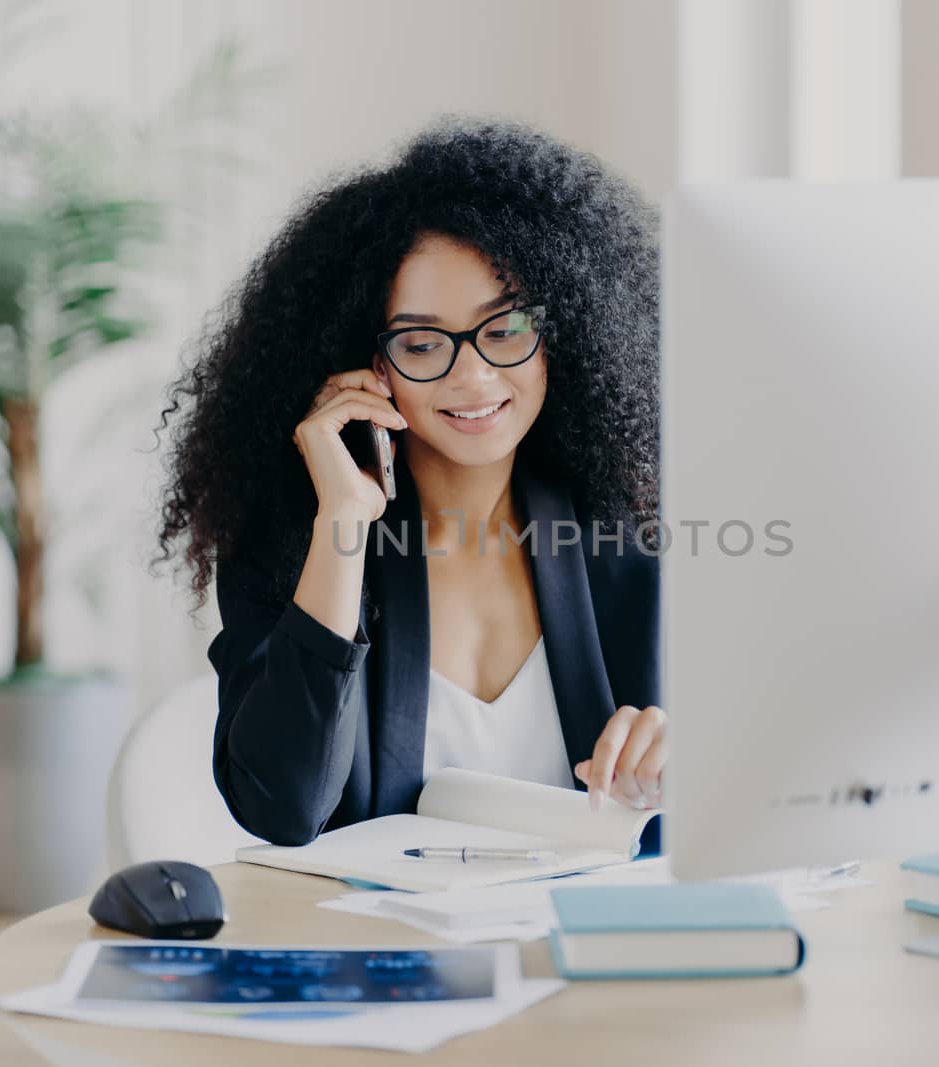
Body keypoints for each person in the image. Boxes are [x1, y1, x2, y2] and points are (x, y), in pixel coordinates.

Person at [156, 119, 663, 846]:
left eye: (507, 326)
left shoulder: (629, 529)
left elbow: (727, 776)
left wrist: (676, 755)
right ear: (369, 364)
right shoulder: (296, 545)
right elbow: (284, 806)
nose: (474, 374)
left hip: (582, 944)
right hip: (381, 952)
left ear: (567, 328)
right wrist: (344, 522)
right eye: (422, 342)